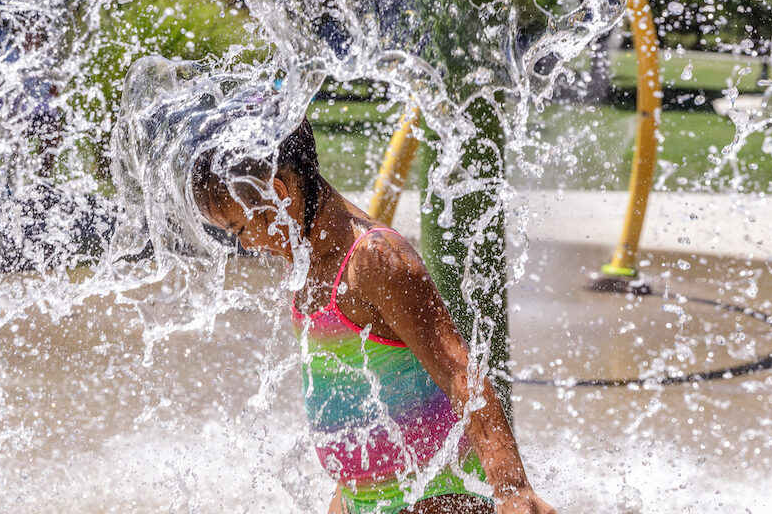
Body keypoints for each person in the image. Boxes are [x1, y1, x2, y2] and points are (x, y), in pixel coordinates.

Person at [190, 116, 555, 514]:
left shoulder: (374, 260)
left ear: (278, 196)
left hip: (436, 497)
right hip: (362, 500)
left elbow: (460, 371)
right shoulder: (303, 263)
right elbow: (351, 392)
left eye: (241, 229)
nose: (246, 245)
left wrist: (512, 487)